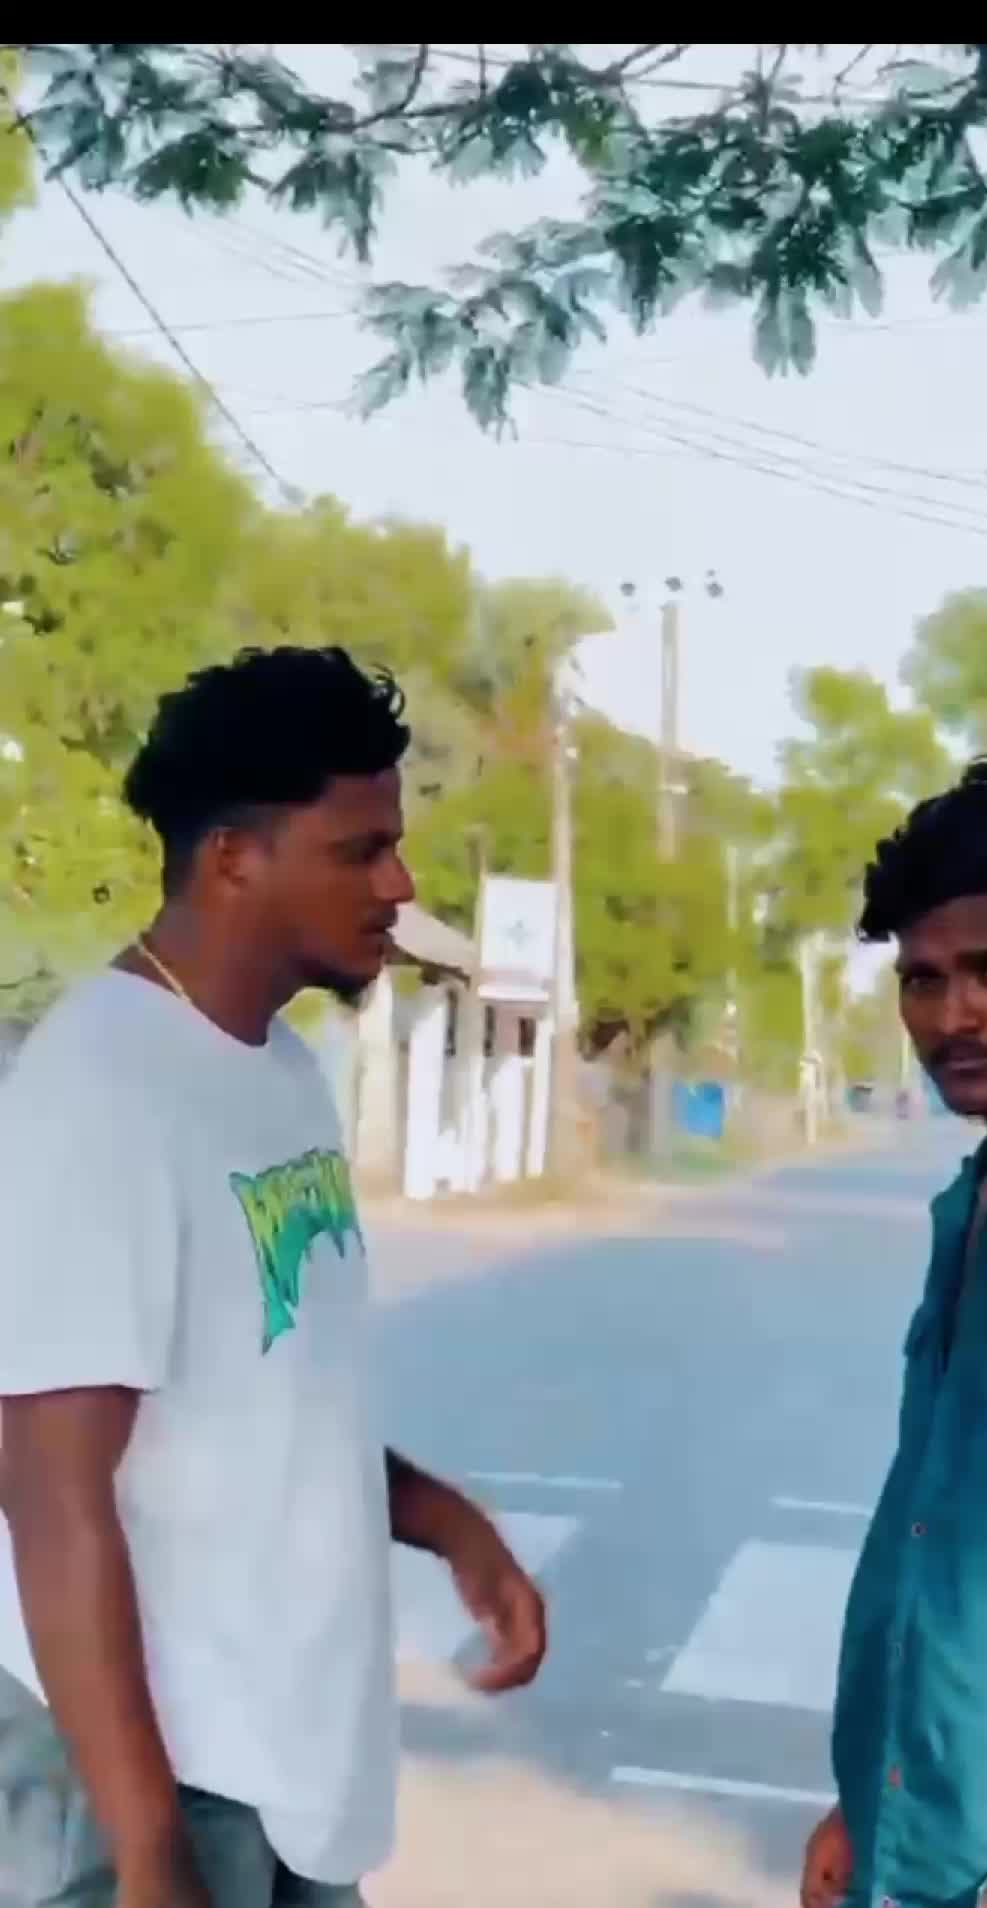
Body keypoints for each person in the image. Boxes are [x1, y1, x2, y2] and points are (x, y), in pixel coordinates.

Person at [0, 647, 547, 1908]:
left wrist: (447, 1523)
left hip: (283, 1768)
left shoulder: (278, 1070)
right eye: (362, 851)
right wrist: (147, 1849)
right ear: (233, 858)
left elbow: (266, 1399)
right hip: (145, 1773)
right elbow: (48, 1486)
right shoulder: (102, 1092)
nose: (398, 886)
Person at [801, 760, 987, 1908]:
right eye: (924, 979)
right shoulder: (972, 1206)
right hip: (914, 1849)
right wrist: (864, 1803)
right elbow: (934, 1540)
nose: (953, 1016)